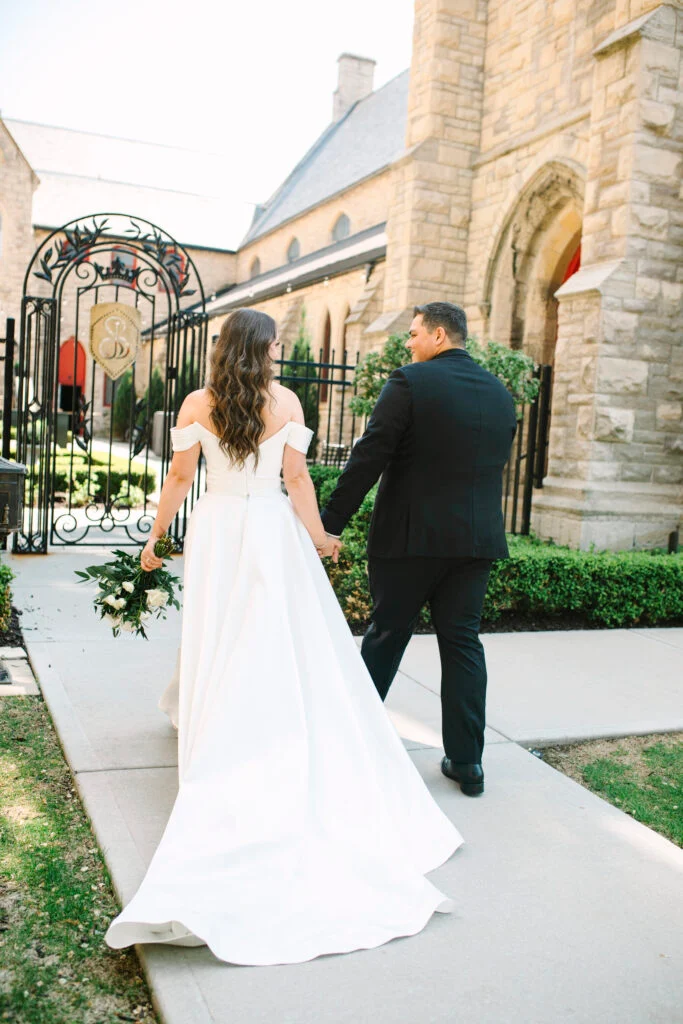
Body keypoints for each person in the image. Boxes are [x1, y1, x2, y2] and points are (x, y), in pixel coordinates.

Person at [104, 307, 463, 967]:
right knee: (276, 635)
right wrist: (319, 535)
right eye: (276, 343)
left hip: (217, 526)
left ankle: (218, 719)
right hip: (269, 527)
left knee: (221, 629)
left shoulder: (197, 402)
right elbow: (295, 478)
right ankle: (266, 717)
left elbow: (181, 478)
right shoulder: (287, 400)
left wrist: (155, 536)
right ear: (265, 347)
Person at [321, 302, 517, 797]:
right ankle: (468, 764)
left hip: (410, 540)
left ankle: (352, 746)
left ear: (437, 334)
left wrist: (328, 524)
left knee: (386, 636)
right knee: (463, 643)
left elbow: (370, 455)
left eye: (412, 334)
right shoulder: (500, 393)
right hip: (475, 543)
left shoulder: (410, 382)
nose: (407, 343)